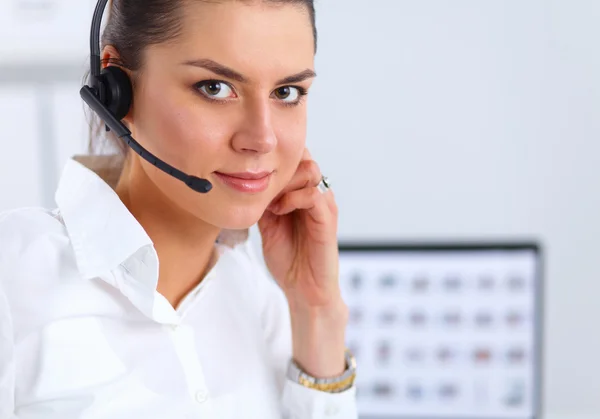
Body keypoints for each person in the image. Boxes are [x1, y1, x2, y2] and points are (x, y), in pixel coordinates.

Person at [0, 0, 358, 418]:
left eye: (286, 92)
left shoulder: (258, 297)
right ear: (117, 87)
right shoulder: (16, 277)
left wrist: (316, 310)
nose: (262, 139)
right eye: (215, 88)